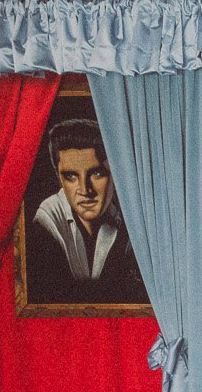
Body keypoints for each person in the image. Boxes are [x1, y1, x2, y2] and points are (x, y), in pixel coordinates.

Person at [30, 119, 142, 304]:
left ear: (115, 173)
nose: (85, 190)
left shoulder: (133, 221)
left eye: (97, 174)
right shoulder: (45, 222)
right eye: (71, 176)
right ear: (58, 177)